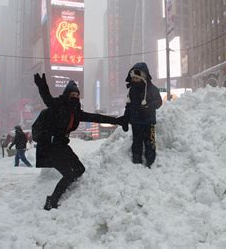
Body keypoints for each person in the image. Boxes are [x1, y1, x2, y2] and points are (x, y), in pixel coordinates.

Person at [34, 74, 127, 211]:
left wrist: (117, 121)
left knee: (79, 170)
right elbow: (48, 99)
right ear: (66, 95)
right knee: (70, 173)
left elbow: (96, 118)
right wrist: (43, 87)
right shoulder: (58, 106)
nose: (75, 97)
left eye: (77, 95)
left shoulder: (76, 113)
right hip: (50, 146)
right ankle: (52, 201)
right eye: (72, 94)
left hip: (62, 146)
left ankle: (53, 199)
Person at [122, 62, 162, 168]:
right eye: (133, 78)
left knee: (150, 144)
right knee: (136, 144)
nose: (134, 80)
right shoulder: (132, 90)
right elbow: (128, 106)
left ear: (143, 76)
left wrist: (149, 107)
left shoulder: (152, 89)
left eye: (136, 78)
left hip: (149, 123)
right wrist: (126, 118)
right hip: (136, 123)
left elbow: (158, 102)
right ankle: (137, 163)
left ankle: (151, 164)